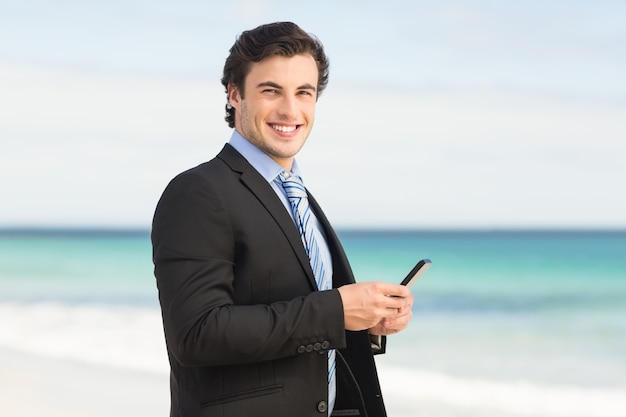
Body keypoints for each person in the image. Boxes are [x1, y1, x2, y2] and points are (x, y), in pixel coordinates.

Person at [152, 21, 414, 417]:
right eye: (271, 90)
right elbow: (196, 334)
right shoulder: (198, 191)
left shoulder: (298, 195)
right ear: (235, 94)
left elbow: (301, 317)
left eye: (303, 93)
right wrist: (336, 310)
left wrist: (362, 321)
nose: (290, 110)